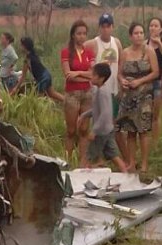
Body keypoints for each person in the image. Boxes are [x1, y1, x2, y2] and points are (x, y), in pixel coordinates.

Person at [84, 13, 127, 161]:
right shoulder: (92, 43)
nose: (106, 29)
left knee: (110, 125)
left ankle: (112, 157)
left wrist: (120, 80)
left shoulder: (117, 43)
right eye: (103, 26)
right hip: (98, 90)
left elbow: (120, 63)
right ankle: (100, 159)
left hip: (113, 90)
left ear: (112, 27)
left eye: (108, 26)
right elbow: (80, 52)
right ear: (99, 27)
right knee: (98, 122)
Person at [117, 22, 159, 173]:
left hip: (144, 95)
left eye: (141, 33)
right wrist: (122, 81)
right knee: (130, 131)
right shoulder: (125, 52)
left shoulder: (149, 52)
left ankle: (145, 163)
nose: (139, 36)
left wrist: (140, 81)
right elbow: (119, 72)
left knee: (143, 131)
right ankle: (131, 163)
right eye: (136, 33)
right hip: (128, 96)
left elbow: (155, 72)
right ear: (130, 36)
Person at [77, 63, 127, 172]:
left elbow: (104, 113)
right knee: (114, 155)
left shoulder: (103, 92)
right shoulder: (100, 90)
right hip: (107, 129)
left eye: (94, 75)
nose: (91, 76)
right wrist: (84, 115)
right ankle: (126, 174)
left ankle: (79, 175)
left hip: (101, 131)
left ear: (101, 78)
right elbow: (96, 110)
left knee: (88, 156)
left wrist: (94, 131)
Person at [61, 20, 95, 166]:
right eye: (79, 33)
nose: (82, 37)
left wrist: (79, 73)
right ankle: (67, 161)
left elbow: (93, 74)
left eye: (84, 34)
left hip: (87, 93)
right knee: (71, 130)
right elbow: (68, 74)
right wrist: (84, 74)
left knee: (84, 129)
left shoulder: (89, 52)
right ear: (73, 35)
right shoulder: (66, 52)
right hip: (72, 93)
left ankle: (83, 162)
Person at [12, 37, 64, 102]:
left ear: (24, 47)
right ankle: (67, 101)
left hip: (42, 78)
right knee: (52, 93)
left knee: (39, 100)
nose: (20, 47)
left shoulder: (27, 60)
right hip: (47, 75)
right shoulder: (33, 55)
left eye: (21, 45)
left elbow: (23, 77)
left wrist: (15, 88)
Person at [147, 17, 162, 143]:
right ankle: (145, 140)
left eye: (156, 26)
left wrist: (159, 43)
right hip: (145, 83)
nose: (153, 28)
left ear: (161, 29)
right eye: (151, 25)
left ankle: (155, 142)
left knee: (155, 115)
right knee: (145, 114)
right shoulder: (144, 44)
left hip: (158, 83)